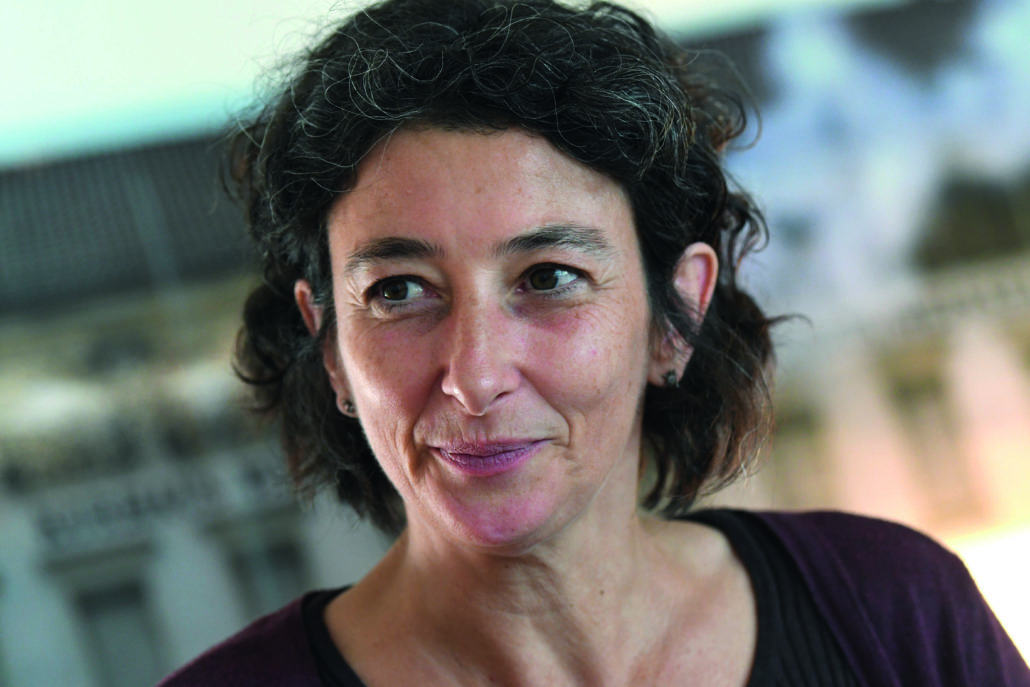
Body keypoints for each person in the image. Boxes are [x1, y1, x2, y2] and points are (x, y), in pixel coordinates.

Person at [158, 0, 1029, 685]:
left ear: (674, 315)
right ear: (332, 349)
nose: (476, 376)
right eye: (399, 291)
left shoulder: (893, 609)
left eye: (548, 277)